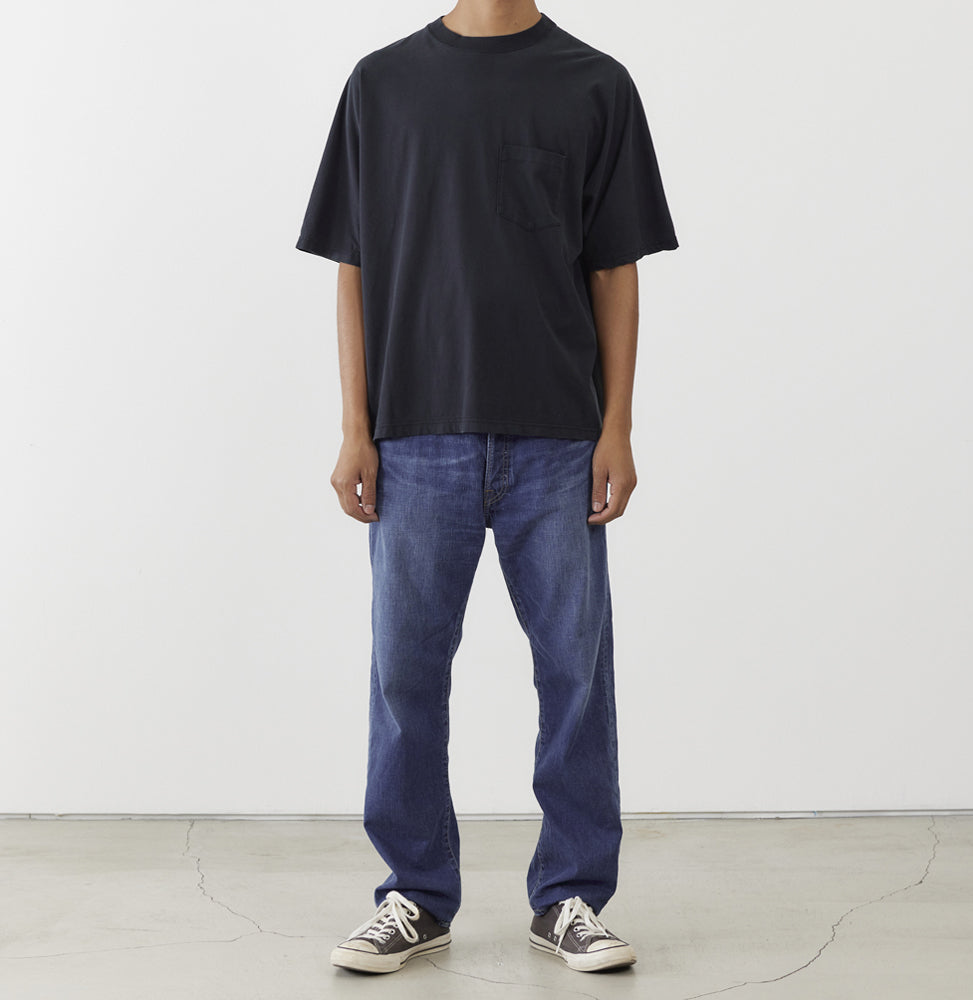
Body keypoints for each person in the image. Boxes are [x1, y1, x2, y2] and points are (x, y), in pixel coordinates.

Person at [295, 0, 679, 976]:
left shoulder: (595, 85)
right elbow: (353, 267)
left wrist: (617, 427)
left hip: (558, 435)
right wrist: (354, 427)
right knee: (404, 674)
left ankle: (572, 895)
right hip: (416, 432)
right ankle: (414, 895)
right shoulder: (382, 85)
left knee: (576, 673)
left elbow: (615, 271)